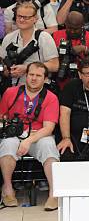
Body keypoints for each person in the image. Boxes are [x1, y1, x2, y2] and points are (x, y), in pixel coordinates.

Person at [0, 62, 60, 211]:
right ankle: (7, 189)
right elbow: (2, 116)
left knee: (49, 146)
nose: (34, 78)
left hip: (38, 134)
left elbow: (49, 128)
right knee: (7, 145)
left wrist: (28, 140)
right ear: (26, 76)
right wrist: (6, 127)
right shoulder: (11, 92)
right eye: (31, 75)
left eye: (38, 76)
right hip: (15, 133)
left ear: (45, 79)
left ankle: (54, 193)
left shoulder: (51, 98)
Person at [0, 2, 59, 86]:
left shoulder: (44, 37)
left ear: (35, 18)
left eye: (26, 17)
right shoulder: (8, 38)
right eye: (19, 16)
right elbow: (3, 64)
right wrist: (7, 70)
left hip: (39, 88)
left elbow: (55, 65)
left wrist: (27, 68)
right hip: (14, 88)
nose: (21, 20)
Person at [52, 12, 89, 88]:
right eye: (70, 28)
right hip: (59, 80)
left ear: (82, 26)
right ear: (65, 24)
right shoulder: (55, 36)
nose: (72, 31)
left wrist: (85, 50)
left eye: (76, 29)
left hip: (85, 83)